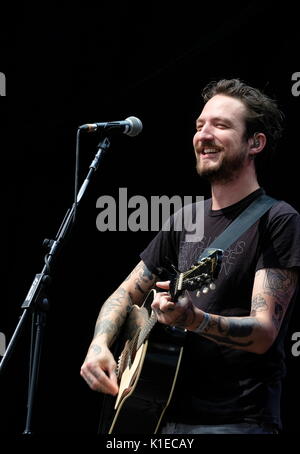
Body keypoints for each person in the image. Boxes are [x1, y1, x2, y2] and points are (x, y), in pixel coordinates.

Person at [80, 78, 300, 434]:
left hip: (236, 422)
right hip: (162, 416)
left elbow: (264, 333)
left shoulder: (277, 219)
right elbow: (124, 294)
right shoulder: (184, 220)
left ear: (255, 143)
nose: (204, 134)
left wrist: (194, 319)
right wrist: (99, 344)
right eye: (200, 126)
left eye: (221, 125)